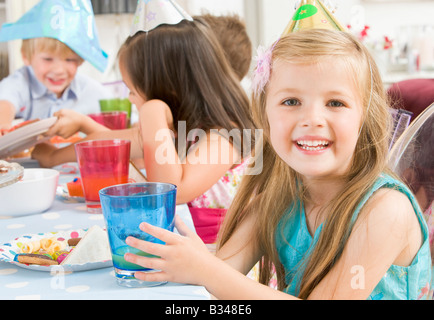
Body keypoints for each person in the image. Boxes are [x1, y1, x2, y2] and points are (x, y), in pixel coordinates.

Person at [122, 29, 432, 300]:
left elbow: (213, 274)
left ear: (364, 117)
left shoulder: (385, 210)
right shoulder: (279, 199)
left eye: (335, 103)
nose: (312, 119)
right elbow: (217, 276)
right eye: (291, 101)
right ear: (264, 115)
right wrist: (182, 260)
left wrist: (204, 268)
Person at [32, 18, 257, 247]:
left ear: (168, 88)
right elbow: (109, 143)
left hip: (217, 262)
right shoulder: (181, 125)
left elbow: (170, 193)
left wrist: (152, 112)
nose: (130, 98)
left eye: (132, 90)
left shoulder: (226, 136)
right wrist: (51, 156)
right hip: (175, 252)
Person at [0, 0, 109, 140]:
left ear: (81, 60)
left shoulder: (91, 90)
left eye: (69, 60)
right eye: (48, 59)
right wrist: (1, 125)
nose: (58, 70)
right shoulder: (20, 82)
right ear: (26, 56)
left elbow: (125, 119)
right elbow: (4, 102)